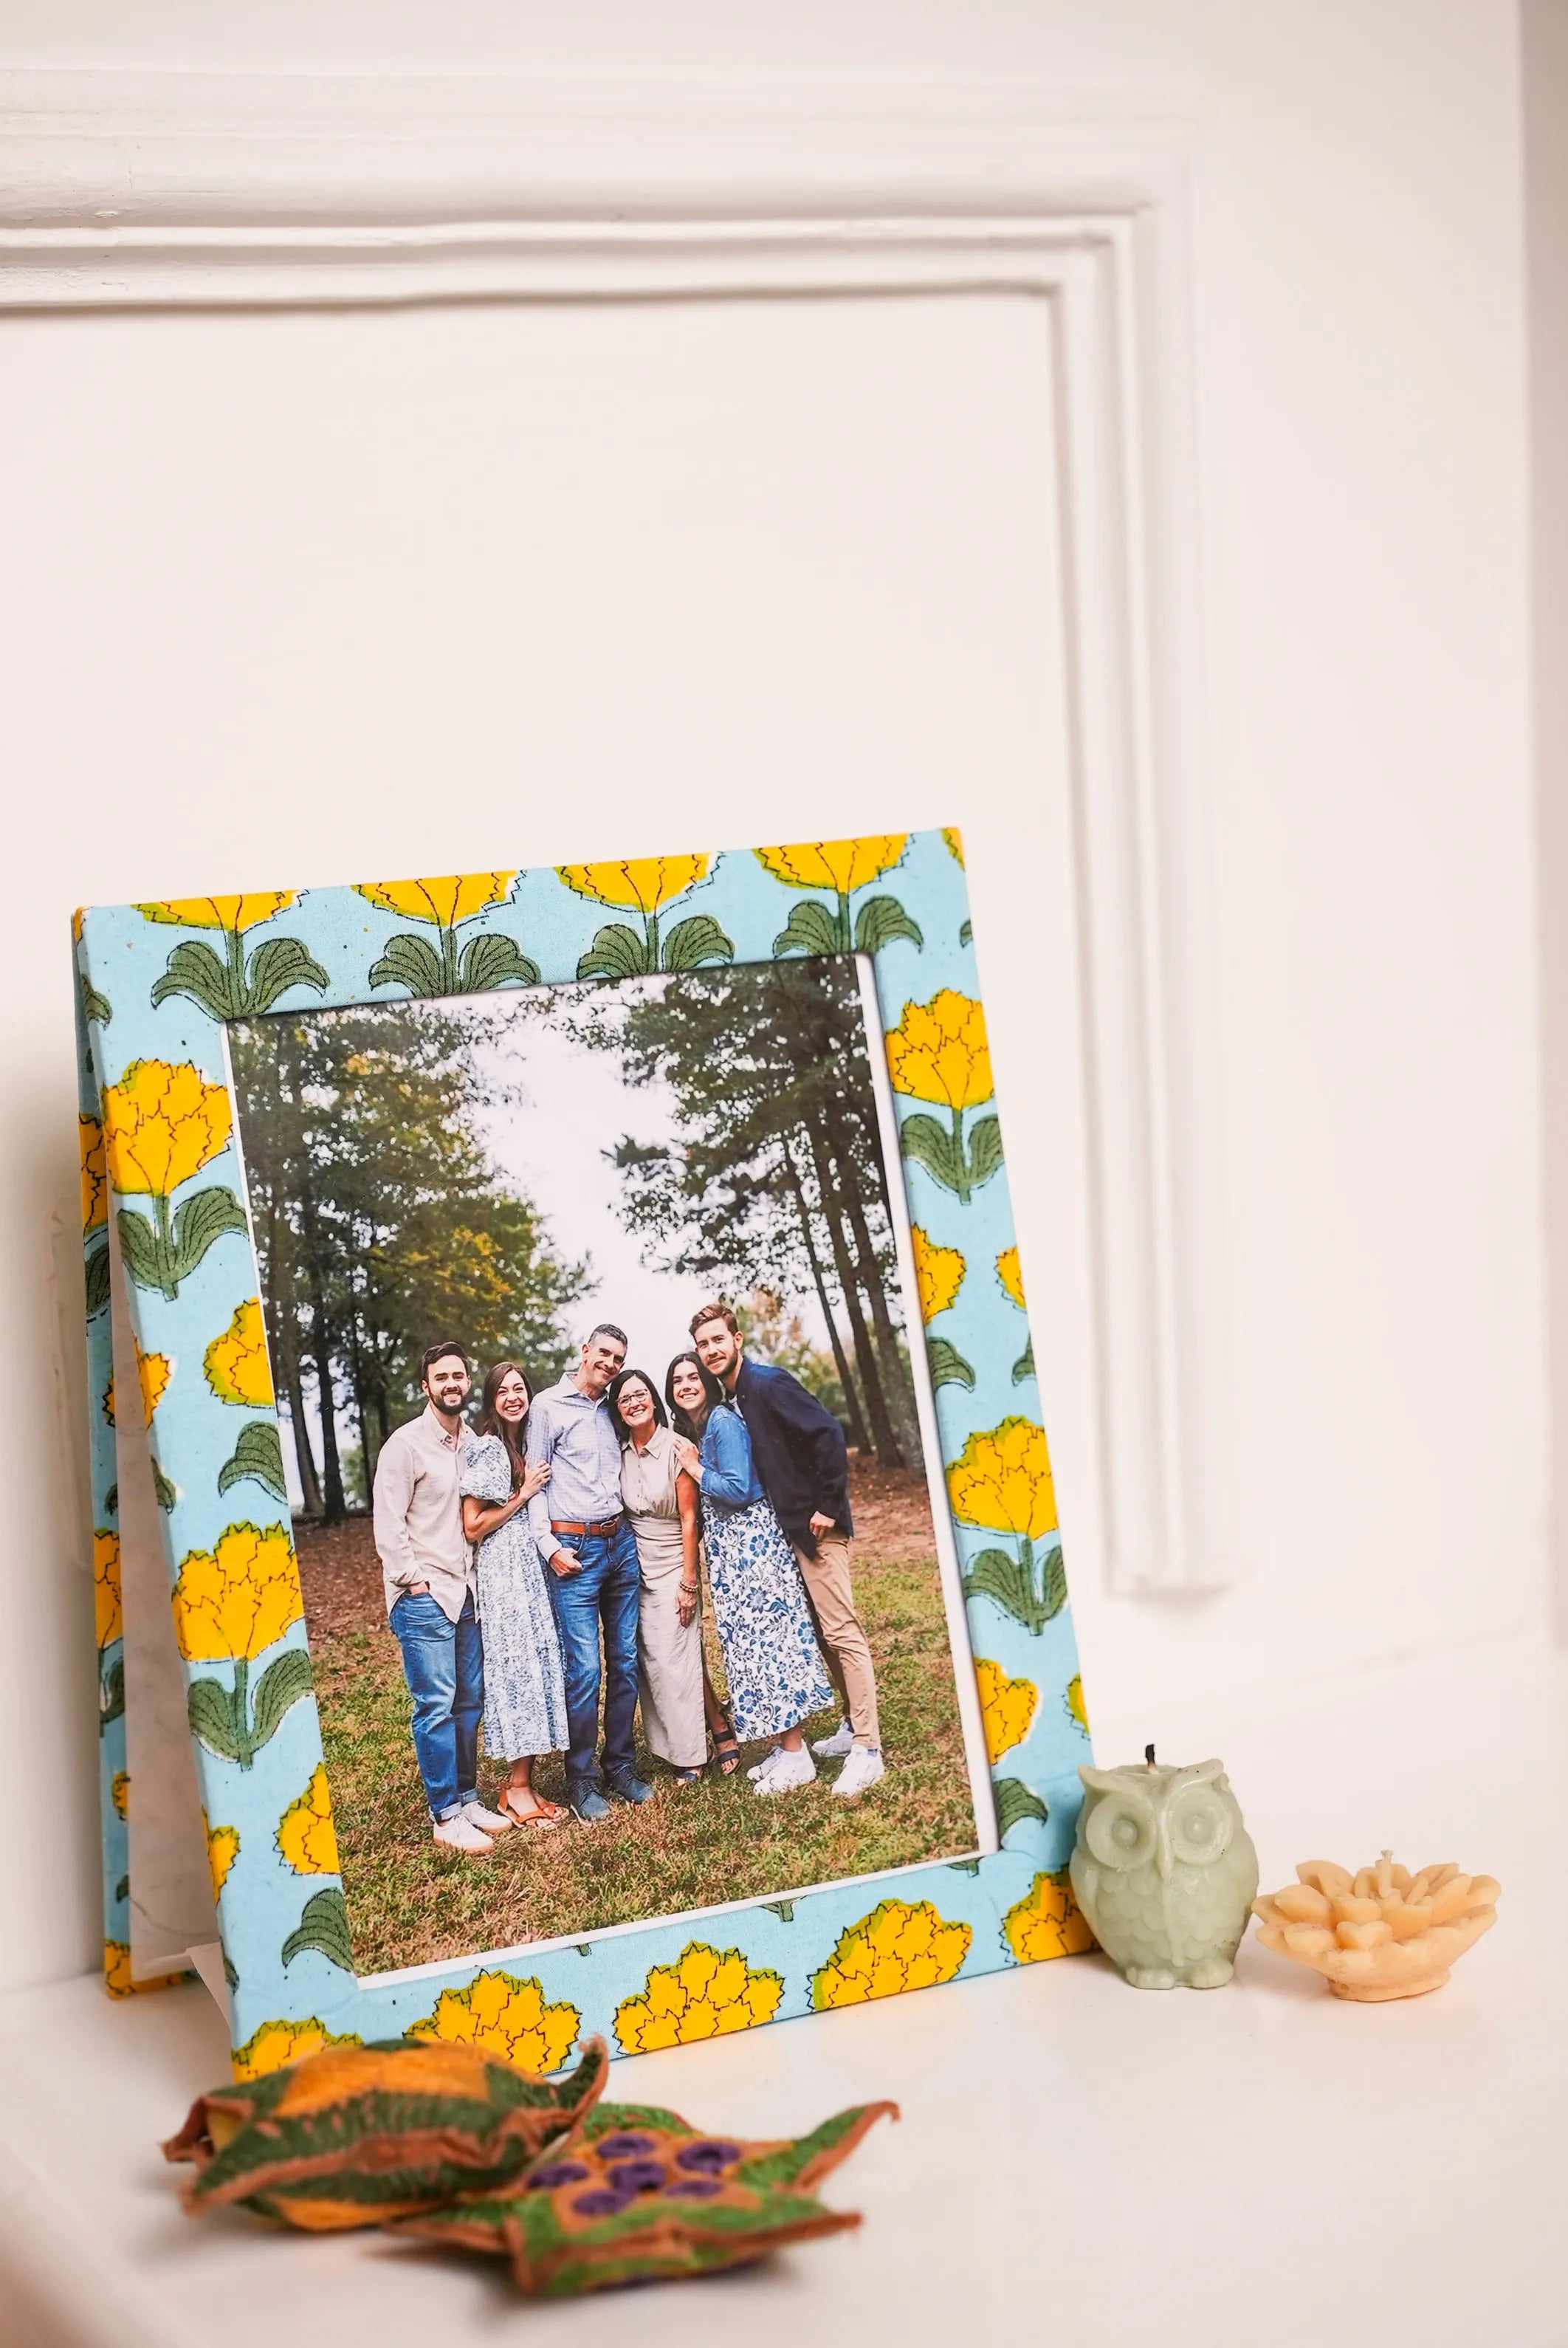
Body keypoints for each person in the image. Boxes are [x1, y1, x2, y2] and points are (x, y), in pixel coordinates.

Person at [688, 1301, 886, 1798]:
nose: (711, 1350)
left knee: (842, 1632)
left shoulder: (769, 1384)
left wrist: (828, 1505)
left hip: (819, 1528)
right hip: (790, 1533)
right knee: (821, 1633)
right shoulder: (738, 1399)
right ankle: (849, 1724)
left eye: (718, 1340)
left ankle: (869, 1749)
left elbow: (829, 1434)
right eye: (703, 1344)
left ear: (737, 1340)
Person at [667, 1351, 833, 1797]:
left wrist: (695, 1466)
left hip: (752, 1549)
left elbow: (739, 1489)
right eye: (677, 1380)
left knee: (770, 1646)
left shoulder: (721, 1420)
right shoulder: (703, 1427)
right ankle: (786, 1744)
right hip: (733, 1553)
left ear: (706, 1381)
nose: (685, 1385)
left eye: (692, 1378)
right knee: (753, 1649)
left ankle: (797, 1754)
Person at [372, 1343, 514, 1856]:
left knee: (468, 1702)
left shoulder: (474, 1443)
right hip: (425, 1594)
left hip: (467, 1591)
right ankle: (445, 1814)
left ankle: (469, 1798)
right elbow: (388, 1526)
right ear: (425, 1386)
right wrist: (414, 1582)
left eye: (459, 1375)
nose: (452, 1383)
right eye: (442, 1376)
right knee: (435, 1705)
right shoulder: (404, 1446)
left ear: (466, 1382)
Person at [524, 1323, 653, 1822]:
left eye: (619, 1358)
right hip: (572, 1550)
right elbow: (535, 1482)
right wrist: (549, 1546)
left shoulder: (612, 1408)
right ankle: (580, 1780)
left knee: (624, 1663)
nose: (611, 1364)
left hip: (620, 1545)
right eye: (604, 1353)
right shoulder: (548, 1406)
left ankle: (620, 1766)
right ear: (584, 1350)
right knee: (585, 1672)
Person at [608, 1367, 737, 1782]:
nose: (633, 1403)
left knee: (675, 1660)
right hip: (633, 1566)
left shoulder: (677, 1448)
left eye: (640, 1394)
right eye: (624, 1399)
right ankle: (717, 1727)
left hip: (672, 1561)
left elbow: (688, 1520)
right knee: (659, 1661)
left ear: (653, 1399)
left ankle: (691, 1756)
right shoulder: (620, 1451)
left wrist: (688, 1580)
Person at [458, 1362, 569, 1829]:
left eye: (519, 1389)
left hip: (531, 1573)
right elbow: (473, 1525)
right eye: (502, 1391)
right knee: (518, 1675)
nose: (512, 1397)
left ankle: (523, 1783)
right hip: (504, 1576)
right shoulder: (488, 1449)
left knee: (538, 1671)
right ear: (491, 1399)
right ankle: (515, 1789)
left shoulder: (525, 1444)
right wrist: (522, 1496)